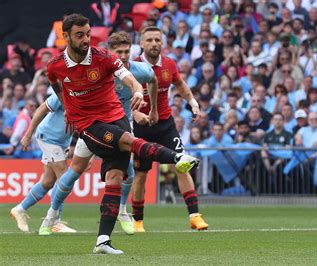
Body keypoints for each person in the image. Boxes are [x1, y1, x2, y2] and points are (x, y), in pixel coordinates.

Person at [43, 14, 199, 255]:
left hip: (118, 118)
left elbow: (132, 80)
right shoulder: (55, 65)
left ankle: (102, 240)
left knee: (116, 177)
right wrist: (67, 106)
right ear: (65, 37)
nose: (85, 39)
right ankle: (178, 158)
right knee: (124, 144)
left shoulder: (104, 57)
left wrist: (137, 91)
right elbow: (55, 82)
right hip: (90, 125)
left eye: (88, 34)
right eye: (79, 35)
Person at [132, 26, 208, 233]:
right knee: (140, 174)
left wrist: (192, 102)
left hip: (165, 124)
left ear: (163, 43)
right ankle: (138, 221)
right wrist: (134, 115)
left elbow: (180, 84)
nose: (154, 43)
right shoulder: (133, 67)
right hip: (140, 127)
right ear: (141, 43)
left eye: (158, 39)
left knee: (182, 165)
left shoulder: (169, 64)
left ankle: (194, 216)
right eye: (149, 40)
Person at [9, 94, 76, 234]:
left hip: (61, 141)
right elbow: (41, 109)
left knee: (48, 181)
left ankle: (19, 210)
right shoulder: (64, 92)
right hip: (49, 137)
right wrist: (28, 135)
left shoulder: (89, 95)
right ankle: (55, 221)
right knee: (64, 177)